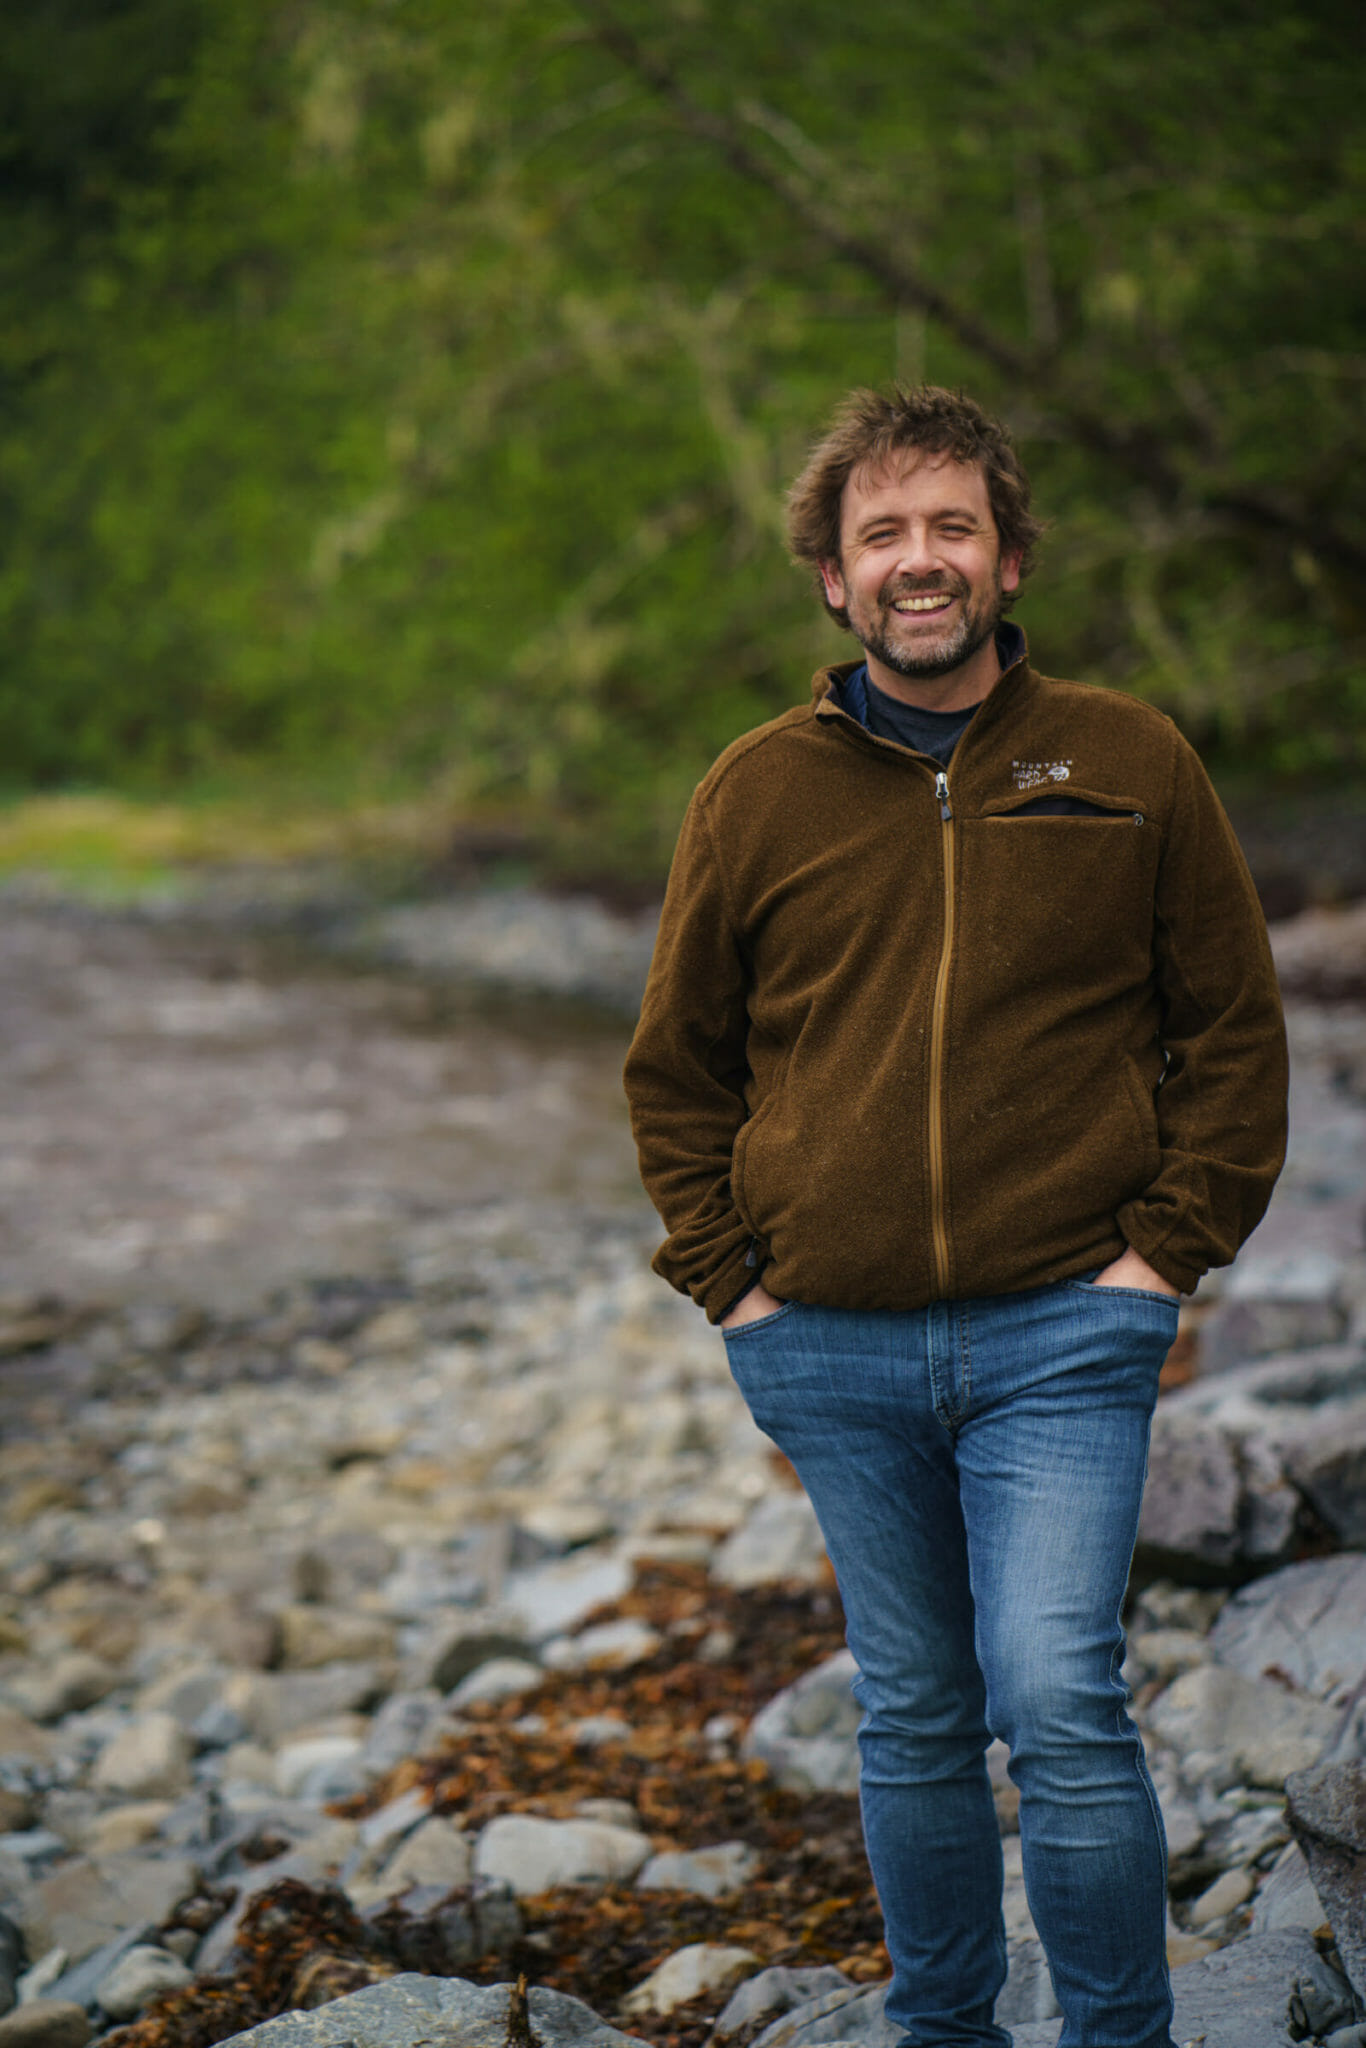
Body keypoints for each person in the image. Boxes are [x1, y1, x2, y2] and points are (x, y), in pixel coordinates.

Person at [622, 385, 1288, 2048]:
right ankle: (943, 2030)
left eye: (950, 529)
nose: (919, 562)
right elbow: (676, 1066)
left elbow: (1230, 1036)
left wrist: (1156, 1266)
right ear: (834, 583)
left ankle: (1118, 2036)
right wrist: (735, 1291)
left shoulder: (1131, 761)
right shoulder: (753, 790)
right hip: (825, 1343)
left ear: (1002, 561)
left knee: (1060, 1696)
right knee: (912, 1710)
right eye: (882, 537)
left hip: (1067, 1328)